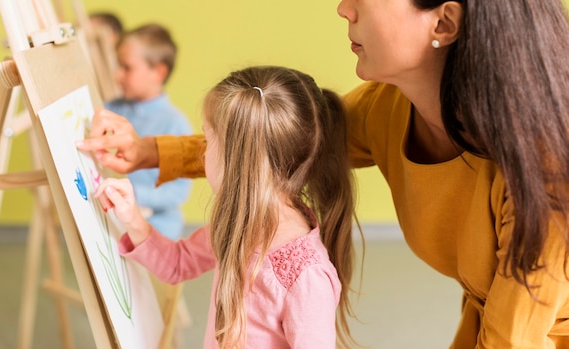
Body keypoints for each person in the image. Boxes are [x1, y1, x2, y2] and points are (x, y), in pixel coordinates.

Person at [77, 0, 569, 347]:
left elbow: (514, 340)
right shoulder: (388, 109)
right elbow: (258, 146)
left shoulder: (543, 177)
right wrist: (145, 151)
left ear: (443, 21)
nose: (343, 8)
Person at [93, 66, 358, 348]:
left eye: (208, 140)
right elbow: (178, 264)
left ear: (239, 161)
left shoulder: (306, 276)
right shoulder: (237, 223)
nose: (203, 151)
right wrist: (133, 219)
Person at [105, 23, 193, 241]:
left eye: (127, 67)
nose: (118, 75)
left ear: (158, 72)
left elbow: (177, 192)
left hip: (157, 228)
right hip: (115, 220)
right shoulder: (110, 109)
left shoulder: (175, 124)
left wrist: (132, 194)